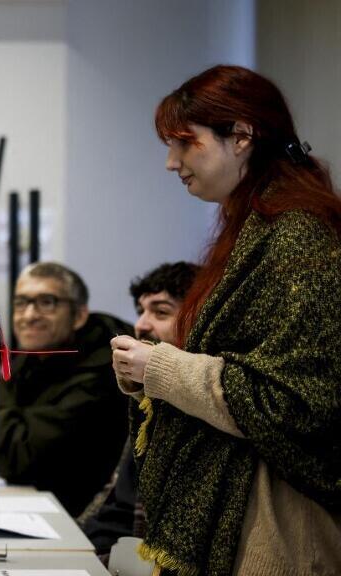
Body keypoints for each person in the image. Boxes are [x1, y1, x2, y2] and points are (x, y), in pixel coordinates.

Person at [112, 65, 341, 575]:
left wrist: (162, 368)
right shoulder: (259, 227)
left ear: (241, 136)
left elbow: (293, 404)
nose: (171, 163)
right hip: (254, 511)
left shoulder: (297, 237)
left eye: (185, 144)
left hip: (281, 528)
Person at [81, 261, 198, 559]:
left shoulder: (199, 413)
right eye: (141, 311)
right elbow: (112, 503)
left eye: (160, 312)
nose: (141, 325)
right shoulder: (149, 400)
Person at [0, 262, 131, 517]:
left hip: (76, 521)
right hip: (35, 506)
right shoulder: (34, 356)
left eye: (46, 302)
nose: (29, 315)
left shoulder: (104, 373)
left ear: (79, 315)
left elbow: (17, 457)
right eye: (21, 303)